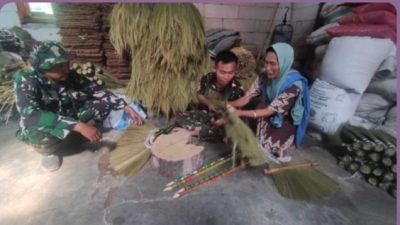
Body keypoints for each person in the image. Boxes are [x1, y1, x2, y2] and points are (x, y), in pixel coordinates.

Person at [14, 42, 143, 172]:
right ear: (44, 67)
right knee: (37, 129)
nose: (67, 68)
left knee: (102, 105)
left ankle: (72, 136)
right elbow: (30, 115)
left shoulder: (69, 75)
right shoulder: (27, 80)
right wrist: (79, 126)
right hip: (46, 125)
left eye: (66, 64)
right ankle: (49, 151)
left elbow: (95, 90)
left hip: (67, 116)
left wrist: (124, 106)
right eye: (60, 66)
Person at [228, 42, 310, 163]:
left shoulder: (293, 86)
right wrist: (228, 104)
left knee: (269, 149)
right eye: (266, 62)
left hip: (284, 121)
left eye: (273, 64)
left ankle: (282, 142)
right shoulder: (264, 76)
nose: (267, 68)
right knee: (254, 106)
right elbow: (247, 97)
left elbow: (268, 111)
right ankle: (260, 135)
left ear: (284, 63)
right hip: (270, 114)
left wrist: (239, 113)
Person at [173, 50, 245, 142]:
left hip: (227, 121)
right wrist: (209, 104)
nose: (226, 76)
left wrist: (223, 120)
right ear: (215, 69)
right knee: (180, 116)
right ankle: (204, 131)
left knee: (230, 133)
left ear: (235, 70)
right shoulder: (207, 78)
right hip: (209, 115)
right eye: (222, 72)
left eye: (230, 73)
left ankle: (194, 132)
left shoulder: (238, 89)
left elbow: (237, 114)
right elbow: (199, 94)